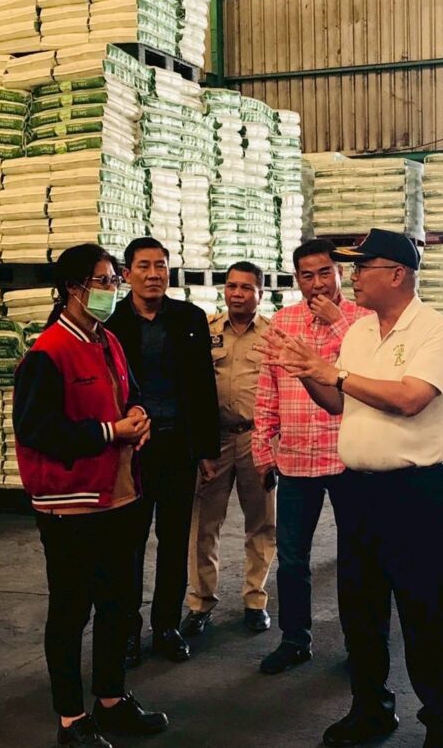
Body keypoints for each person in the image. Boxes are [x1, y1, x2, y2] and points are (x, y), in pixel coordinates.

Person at [260, 229, 443, 748]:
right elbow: (338, 402)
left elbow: (411, 398)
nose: (351, 277)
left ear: (396, 274)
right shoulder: (359, 332)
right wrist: (305, 371)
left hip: (413, 492)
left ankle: (440, 720)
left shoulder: (438, 331)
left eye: (361, 267)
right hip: (358, 490)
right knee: (361, 607)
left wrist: (332, 372)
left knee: (424, 609)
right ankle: (371, 708)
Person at [13, 244, 167, 748]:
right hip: (71, 505)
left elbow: (131, 395)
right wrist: (109, 431)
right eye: (103, 281)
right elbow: (37, 430)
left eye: (113, 281)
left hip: (118, 496)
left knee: (118, 604)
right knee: (71, 609)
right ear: (72, 289)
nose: (111, 290)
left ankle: (111, 699)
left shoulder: (108, 340)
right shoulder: (48, 353)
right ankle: (71, 718)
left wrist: (139, 417)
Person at [253, 239, 373, 675]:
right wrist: (261, 446)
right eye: (308, 276)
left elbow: (370, 374)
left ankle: (360, 643)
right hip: (296, 458)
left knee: (356, 556)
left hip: (348, 458)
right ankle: (294, 640)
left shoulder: (363, 321)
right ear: (297, 279)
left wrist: (337, 323)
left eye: (325, 273)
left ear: (340, 273)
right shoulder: (283, 323)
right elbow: (267, 388)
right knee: (292, 557)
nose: (317, 283)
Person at [105, 237, 220, 667]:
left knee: (174, 541)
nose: (154, 274)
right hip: (131, 450)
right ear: (127, 273)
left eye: (161, 266)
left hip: (177, 446)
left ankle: (166, 625)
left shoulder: (189, 318)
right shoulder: (112, 322)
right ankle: (127, 630)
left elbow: (203, 388)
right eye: (144, 266)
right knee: (128, 544)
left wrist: (206, 450)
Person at [182, 262, 277, 638]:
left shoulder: (273, 335)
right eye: (232, 286)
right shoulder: (205, 332)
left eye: (247, 288)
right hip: (215, 441)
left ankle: (255, 600)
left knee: (262, 522)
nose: (238, 294)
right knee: (204, 524)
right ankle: (201, 602)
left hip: (257, 438)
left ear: (260, 294)